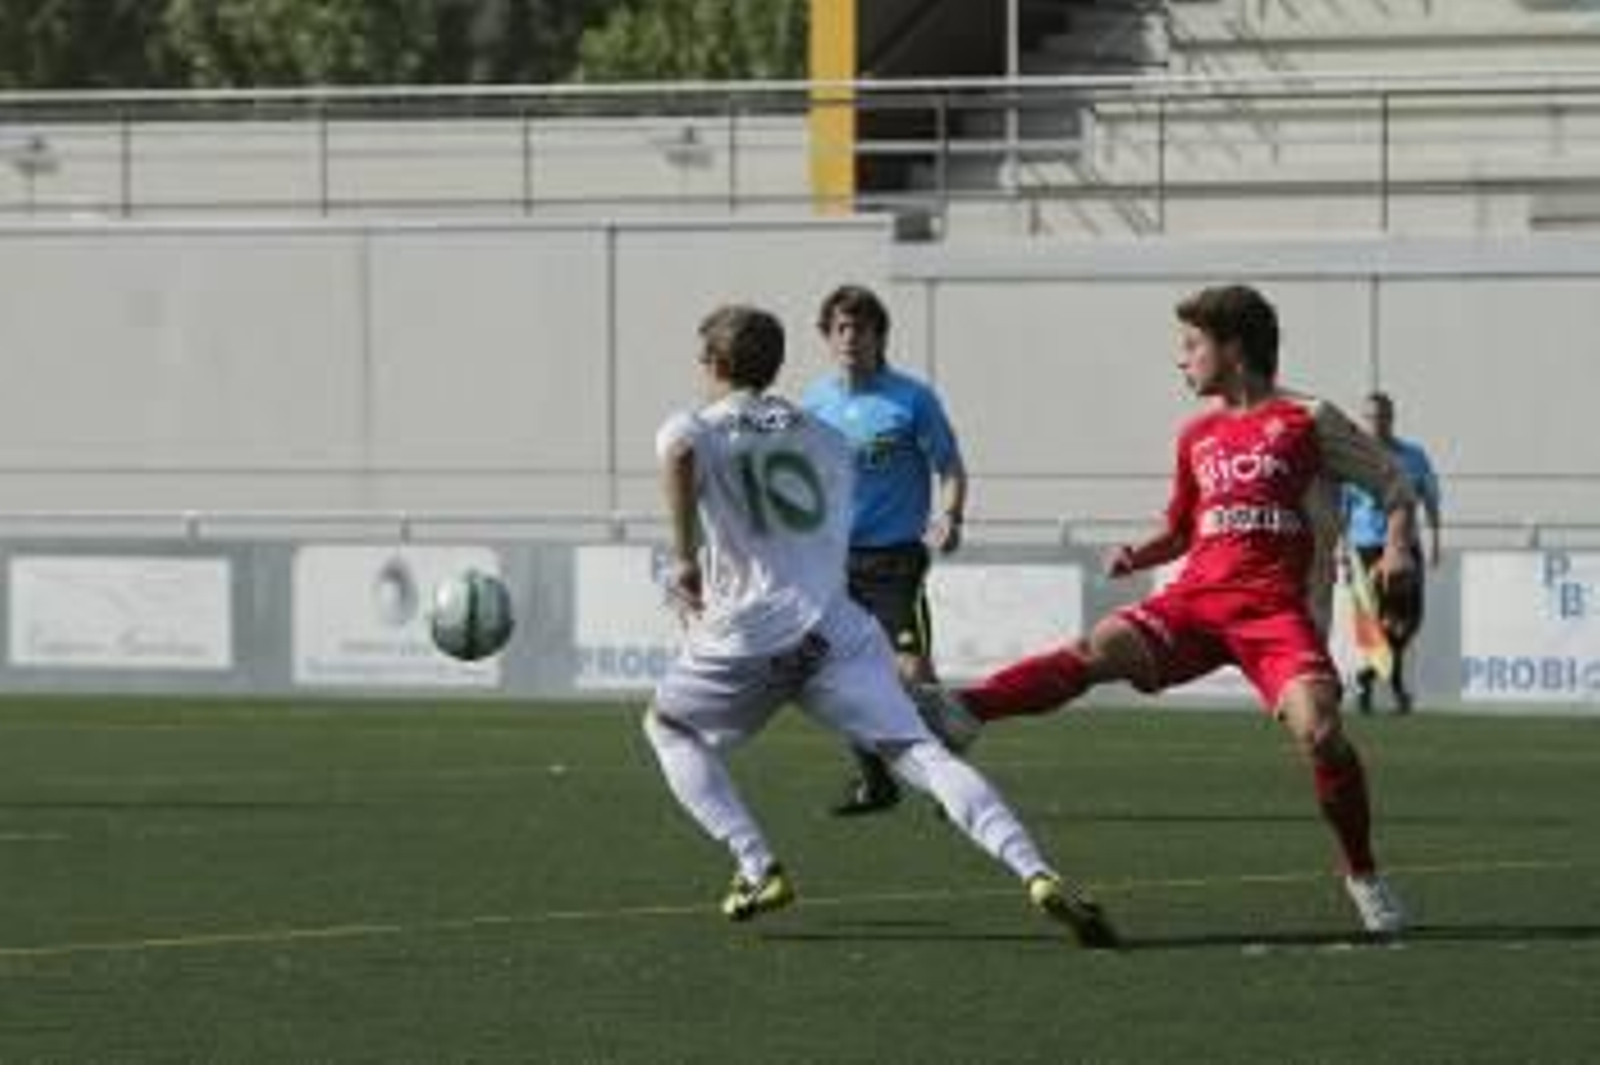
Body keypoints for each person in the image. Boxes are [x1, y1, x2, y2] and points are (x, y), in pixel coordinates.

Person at [913, 284, 1414, 936]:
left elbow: (1393, 484)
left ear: (1231, 349)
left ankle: (1363, 874)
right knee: (1098, 646)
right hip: (1195, 600)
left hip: (1276, 612)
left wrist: (1397, 547)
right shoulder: (1197, 435)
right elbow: (1181, 528)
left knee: (1321, 732)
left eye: (1191, 345)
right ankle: (963, 710)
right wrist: (1139, 551)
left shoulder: (1308, 418)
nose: (1182, 360)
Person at [645, 302, 1115, 947]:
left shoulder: (696, 425)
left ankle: (755, 865)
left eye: (703, 359)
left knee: (668, 728)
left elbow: (677, 453)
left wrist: (683, 560)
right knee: (919, 751)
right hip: (831, 627)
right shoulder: (826, 435)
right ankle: (1036, 870)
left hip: (746, 635)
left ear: (718, 364)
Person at [801, 284, 968, 816]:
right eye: (842, 328)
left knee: (912, 673)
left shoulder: (911, 398)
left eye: (863, 328)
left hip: (895, 560)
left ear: (879, 336)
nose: (852, 338)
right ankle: (877, 782)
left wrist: (951, 516)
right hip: (832, 562)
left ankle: (951, 778)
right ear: (828, 337)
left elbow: (950, 467)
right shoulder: (813, 404)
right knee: (841, 677)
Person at [1342, 391, 1442, 715]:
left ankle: (1368, 676)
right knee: (1382, 619)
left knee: (1408, 622)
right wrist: (1340, 553)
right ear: (1363, 420)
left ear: (1392, 417)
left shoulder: (1413, 456)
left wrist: (1436, 539)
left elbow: (1430, 499)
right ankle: (1395, 689)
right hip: (1367, 545)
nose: (1377, 422)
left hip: (1405, 546)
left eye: (1382, 416)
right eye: (1370, 417)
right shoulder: (1352, 458)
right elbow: (1340, 510)